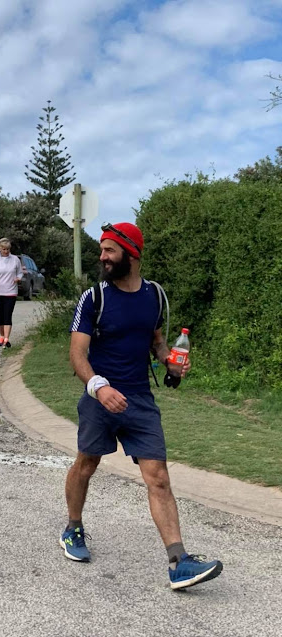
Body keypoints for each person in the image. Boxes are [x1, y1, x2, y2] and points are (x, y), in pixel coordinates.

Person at [60, 222, 223, 591]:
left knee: (159, 478)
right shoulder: (94, 298)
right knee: (86, 464)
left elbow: (156, 342)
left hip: (140, 402)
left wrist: (168, 360)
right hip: (100, 399)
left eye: (109, 251)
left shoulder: (155, 296)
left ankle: (179, 562)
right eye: (101, 250)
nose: (102, 257)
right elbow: (76, 352)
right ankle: (73, 527)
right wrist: (99, 388)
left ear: (131, 255)